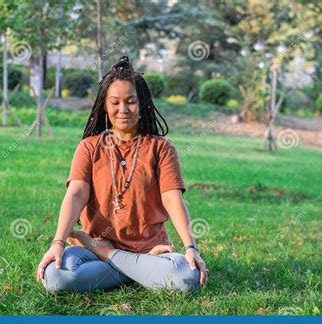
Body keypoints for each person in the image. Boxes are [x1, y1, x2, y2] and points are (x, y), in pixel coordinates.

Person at [36, 56, 208, 293]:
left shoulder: (161, 148)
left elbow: (172, 198)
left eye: (131, 101)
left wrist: (191, 248)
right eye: (115, 102)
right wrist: (57, 243)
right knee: (56, 277)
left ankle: (111, 257)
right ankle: (140, 272)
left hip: (146, 250)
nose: (123, 109)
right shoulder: (89, 147)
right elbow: (76, 193)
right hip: (92, 252)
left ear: (142, 103)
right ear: (105, 106)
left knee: (188, 277)